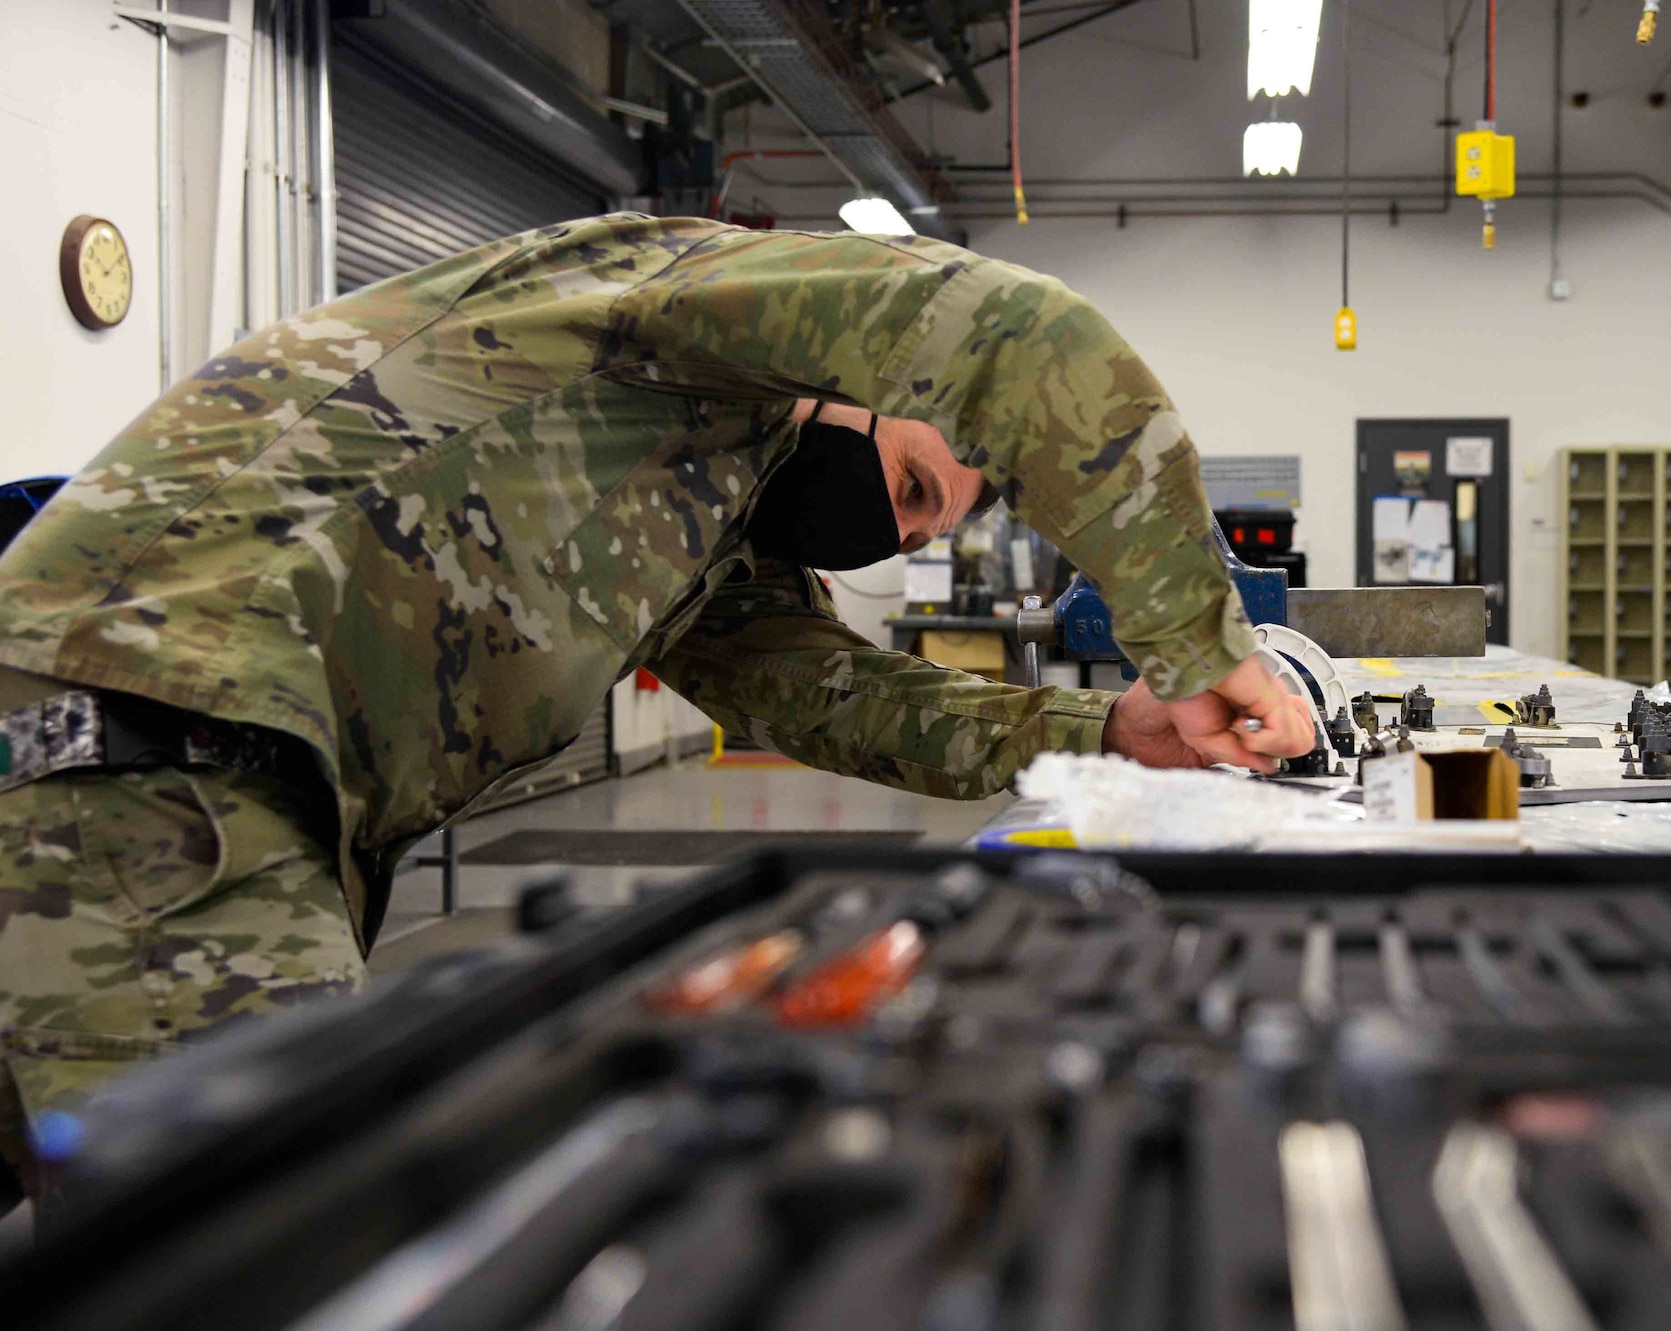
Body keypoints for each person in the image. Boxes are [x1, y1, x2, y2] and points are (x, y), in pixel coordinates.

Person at [0, 214, 1313, 1196]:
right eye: (912, 485)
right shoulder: (667, 309)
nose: (889, 529)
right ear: (860, 375)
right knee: (287, 1236)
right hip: (145, 766)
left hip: (180, 784)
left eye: (919, 527)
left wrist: (1110, 731)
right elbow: (1029, 341)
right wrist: (1203, 650)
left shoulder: (700, 521)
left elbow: (833, 693)